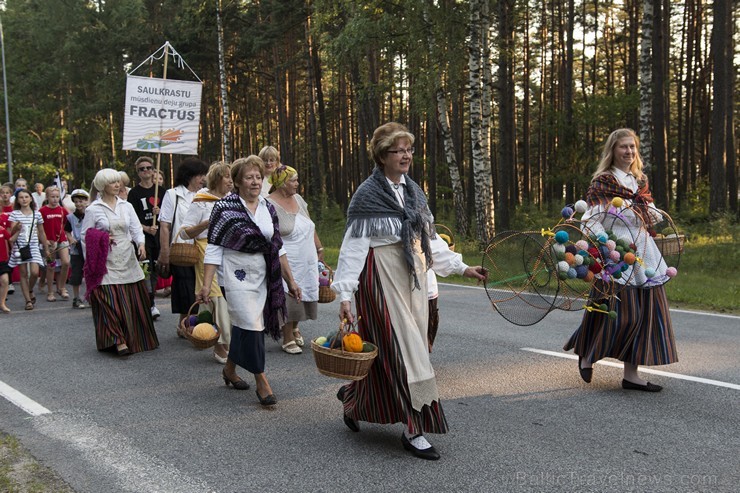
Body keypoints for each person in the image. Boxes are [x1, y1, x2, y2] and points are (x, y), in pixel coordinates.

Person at [332, 122, 487, 460]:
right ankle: (414, 429)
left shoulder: (414, 191)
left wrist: (462, 267)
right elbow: (353, 248)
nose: (405, 155)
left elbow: (428, 240)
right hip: (381, 280)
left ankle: (353, 398)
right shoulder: (367, 195)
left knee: (399, 352)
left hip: (413, 277)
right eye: (397, 150)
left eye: (408, 150)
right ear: (381, 155)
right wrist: (345, 294)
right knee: (408, 354)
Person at [563, 128, 678, 392]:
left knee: (646, 314)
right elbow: (591, 219)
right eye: (623, 147)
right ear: (612, 151)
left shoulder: (638, 182)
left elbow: (648, 215)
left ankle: (632, 375)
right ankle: (587, 354)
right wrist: (606, 247)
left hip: (643, 253)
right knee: (620, 314)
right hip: (616, 253)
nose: (628, 151)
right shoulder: (603, 181)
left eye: (632, 147)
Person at [197, 156, 301, 407]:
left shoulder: (268, 207)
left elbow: (278, 247)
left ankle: (230, 370)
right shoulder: (224, 208)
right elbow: (213, 248)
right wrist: (205, 285)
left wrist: (291, 281)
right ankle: (261, 380)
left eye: (258, 177)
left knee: (248, 325)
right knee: (251, 324)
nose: (255, 182)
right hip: (235, 275)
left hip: (264, 274)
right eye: (249, 177)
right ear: (237, 182)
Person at [81, 168, 158, 356]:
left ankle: (134, 338)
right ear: (102, 186)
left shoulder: (126, 206)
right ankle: (118, 340)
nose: (117, 185)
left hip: (127, 255)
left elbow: (135, 228)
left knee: (130, 299)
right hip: (104, 260)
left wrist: (140, 244)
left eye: (118, 182)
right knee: (109, 300)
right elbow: (85, 235)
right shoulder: (93, 209)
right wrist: (93, 255)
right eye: (112, 182)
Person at [266, 165, 324, 354]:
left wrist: (319, 247)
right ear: (282, 183)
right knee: (288, 295)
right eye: (293, 180)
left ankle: (295, 327)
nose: (297, 184)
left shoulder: (298, 199)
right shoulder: (268, 204)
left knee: (305, 292)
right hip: (287, 257)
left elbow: (309, 224)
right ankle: (287, 336)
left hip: (306, 257)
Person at [179, 162, 233, 364]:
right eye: (227, 177)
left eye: (231, 177)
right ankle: (221, 346)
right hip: (206, 250)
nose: (230, 181)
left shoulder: (232, 200)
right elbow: (184, 232)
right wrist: (206, 224)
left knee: (228, 297)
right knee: (215, 297)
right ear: (217, 178)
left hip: (229, 252)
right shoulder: (201, 200)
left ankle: (220, 338)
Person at [157, 157, 209, 332]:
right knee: (186, 286)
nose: (203, 179)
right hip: (180, 249)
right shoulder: (173, 194)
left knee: (199, 285)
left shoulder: (206, 195)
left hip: (202, 249)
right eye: (200, 175)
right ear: (189, 176)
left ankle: (187, 323)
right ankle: (187, 324)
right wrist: (164, 252)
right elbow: (165, 225)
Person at [127, 156, 165, 320]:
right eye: (142, 169)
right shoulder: (134, 193)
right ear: (138, 173)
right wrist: (146, 229)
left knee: (157, 270)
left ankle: (151, 299)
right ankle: (150, 304)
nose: (146, 171)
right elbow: (131, 219)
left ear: (153, 170)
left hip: (160, 237)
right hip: (143, 238)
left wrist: (160, 213)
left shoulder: (162, 191)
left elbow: (170, 216)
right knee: (146, 271)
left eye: (148, 168)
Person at [7, 189, 50, 311]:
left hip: (34, 246)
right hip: (20, 247)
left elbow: (41, 232)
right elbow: (11, 233)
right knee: (23, 273)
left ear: (31, 199)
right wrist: (17, 226)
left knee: (35, 272)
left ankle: (30, 289)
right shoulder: (14, 214)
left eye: (26, 197)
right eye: (21, 197)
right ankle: (28, 300)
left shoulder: (37, 214)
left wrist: (46, 249)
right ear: (17, 200)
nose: (24, 199)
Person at [39, 186, 71, 302]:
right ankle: (50, 292)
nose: (55, 199)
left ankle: (61, 287)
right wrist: (45, 241)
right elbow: (39, 228)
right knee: (51, 266)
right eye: (52, 197)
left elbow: (68, 223)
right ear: (47, 197)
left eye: (57, 197)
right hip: (49, 242)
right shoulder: (42, 211)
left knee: (66, 262)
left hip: (61, 240)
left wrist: (70, 237)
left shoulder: (62, 210)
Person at [64, 189, 89, 309]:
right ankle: (76, 297)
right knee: (76, 274)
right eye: (76, 202)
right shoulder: (70, 217)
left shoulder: (91, 214)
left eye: (81, 201)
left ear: (86, 201)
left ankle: (90, 296)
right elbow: (67, 231)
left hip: (89, 247)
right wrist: (70, 239)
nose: (79, 204)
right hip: (76, 249)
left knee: (90, 272)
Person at [0, 211, 19, 313]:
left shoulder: (2, 230)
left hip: (2, 261)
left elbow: (11, 239)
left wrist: (18, 231)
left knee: (5, 281)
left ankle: (2, 303)